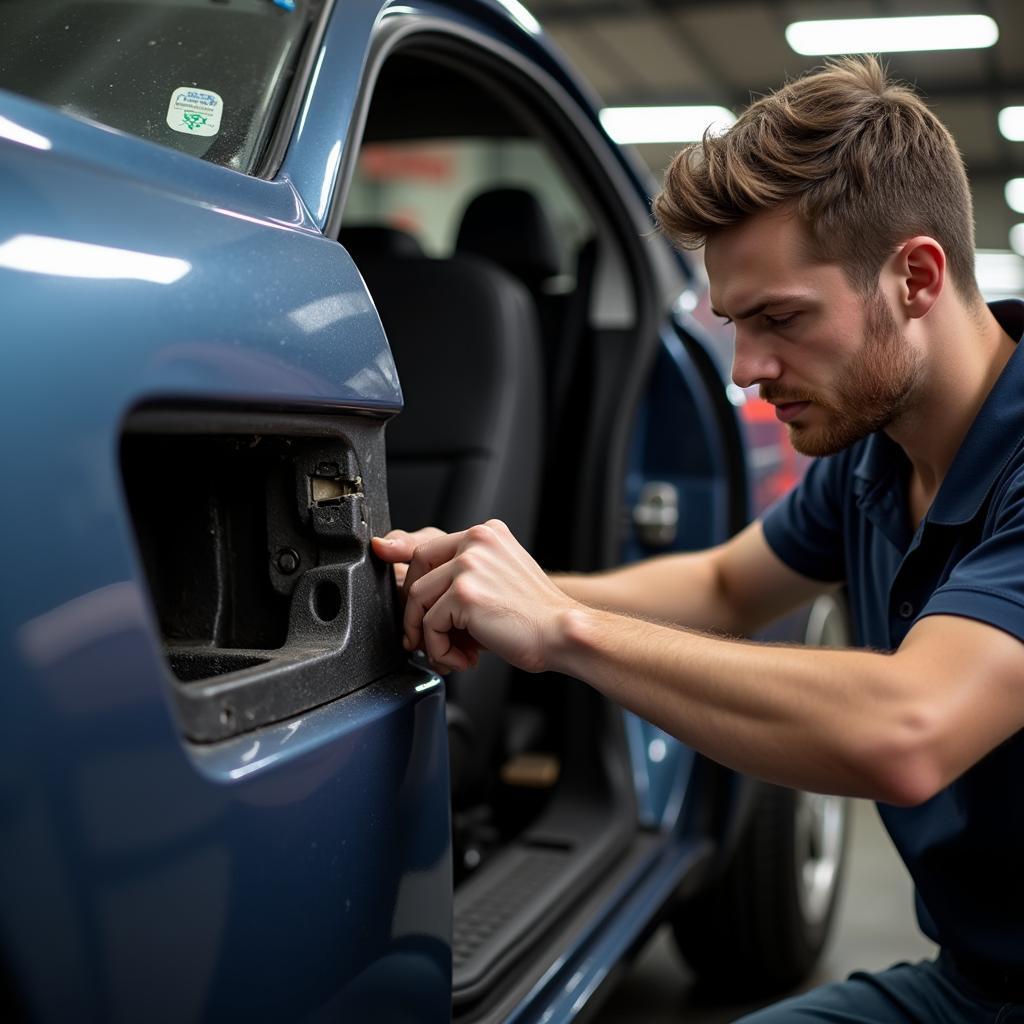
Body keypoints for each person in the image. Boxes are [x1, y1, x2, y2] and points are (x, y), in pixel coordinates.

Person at [373, 56, 1024, 1021]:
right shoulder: (874, 461)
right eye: (734, 323)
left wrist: (562, 630)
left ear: (916, 276)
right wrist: (495, 581)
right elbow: (725, 587)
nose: (750, 368)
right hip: (979, 984)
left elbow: (908, 729)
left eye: (781, 320)